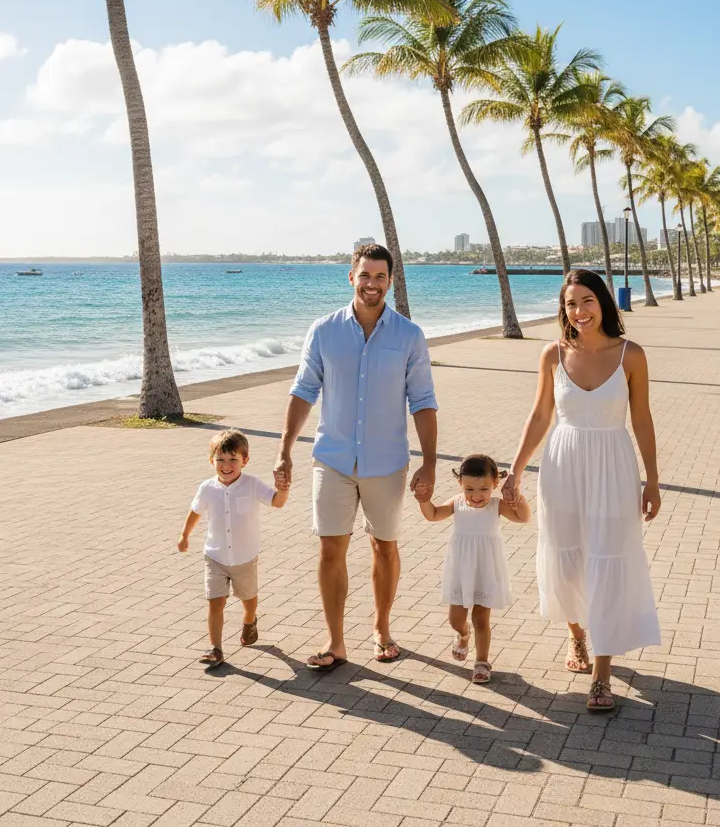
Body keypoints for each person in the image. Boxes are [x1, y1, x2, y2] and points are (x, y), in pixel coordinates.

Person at [275, 243, 438, 671]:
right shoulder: (324, 331)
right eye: (365, 275)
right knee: (331, 549)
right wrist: (285, 451)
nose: (372, 284)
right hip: (332, 459)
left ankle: (382, 629)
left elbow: (423, 400)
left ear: (390, 281)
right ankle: (336, 642)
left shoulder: (409, 336)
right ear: (351, 277)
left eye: (380, 277)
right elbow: (303, 390)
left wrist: (431, 462)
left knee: (384, 547)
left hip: (387, 462)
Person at [504, 269, 662, 712]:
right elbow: (539, 417)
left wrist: (652, 479)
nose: (580, 311)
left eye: (587, 301)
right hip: (563, 464)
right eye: (571, 304)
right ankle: (577, 637)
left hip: (613, 465)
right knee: (567, 556)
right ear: (564, 310)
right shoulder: (553, 355)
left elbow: (643, 420)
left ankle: (602, 673)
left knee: (609, 558)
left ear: (603, 303)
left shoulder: (632, 355)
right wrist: (514, 472)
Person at [178, 429, 289, 668]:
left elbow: (277, 502)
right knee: (215, 601)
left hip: (244, 557)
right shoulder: (207, 487)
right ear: (212, 461)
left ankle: (249, 620)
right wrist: (185, 535)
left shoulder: (252, 485)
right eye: (220, 459)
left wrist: (284, 488)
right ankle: (215, 648)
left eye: (233, 460)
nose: (226, 465)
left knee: (248, 598)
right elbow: (196, 511)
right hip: (215, 555)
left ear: (244, 460)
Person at [417, 453, 531, 683]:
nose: (476, 496)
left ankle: (482, 662)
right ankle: (463, 634)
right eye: (469, 489)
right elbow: (433, 514)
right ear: (460, 483)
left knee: (482, 618)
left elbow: (523, 518)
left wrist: (517, 496)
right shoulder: (457, 503)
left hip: (486, 569)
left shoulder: (497, 505)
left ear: (495, 484)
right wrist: (423, 500)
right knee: (455, 619)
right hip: (461, 569)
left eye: (484, 489)